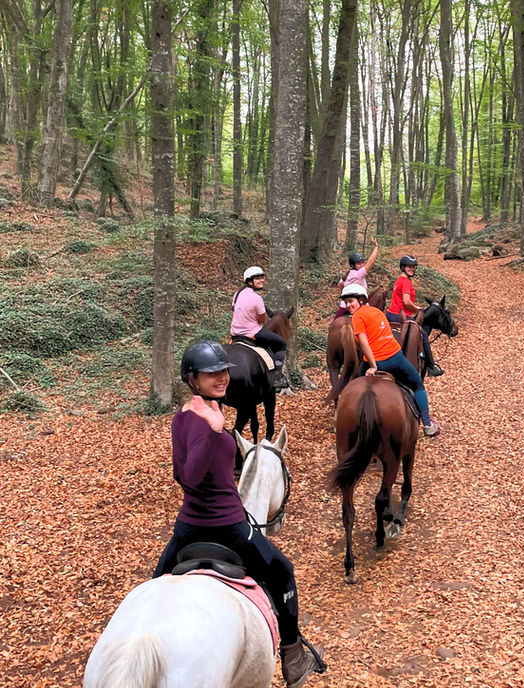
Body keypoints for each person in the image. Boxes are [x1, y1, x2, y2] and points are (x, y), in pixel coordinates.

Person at [153, 340, 325, 688]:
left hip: (187, 527)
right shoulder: (205, 421)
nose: (221, 378)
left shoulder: (183, 416)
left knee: (154, 586)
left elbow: (179, 474)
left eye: (223, 371)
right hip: (228, 526)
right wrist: (214, 431)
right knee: (283, 572)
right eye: (211, 373)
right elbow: (190, 477)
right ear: (192, 378)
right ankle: (293, 656)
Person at [340, 284, 441, 437]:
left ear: (361, 300)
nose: (348, 305)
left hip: (376, 362)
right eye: (346, 302)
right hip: (396, 358)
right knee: (417, 384)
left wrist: (373, 366)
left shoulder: (357, 317)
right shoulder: (378, 312)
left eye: (350, 301)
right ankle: (427, 424)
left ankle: (347, 424)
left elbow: (364, 343)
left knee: (354, 389)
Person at [231, 265, 289, 389]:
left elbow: (234, 310)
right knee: (282, 343)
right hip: (252, 333)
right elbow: (262, 319)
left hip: (235, 334)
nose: (261, 280)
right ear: (250, 281)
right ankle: (277, 377)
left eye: (262, 278)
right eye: (257, 278)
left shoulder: (237, 294)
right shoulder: (257, 298)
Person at [387, 254, 443, 377]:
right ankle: (431, 366)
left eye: (413, 267)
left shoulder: (399, 280)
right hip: (400, 315)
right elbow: (406, 302)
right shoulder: (406, 282)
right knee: (423, 335)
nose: (412, 269)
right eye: (409, 267)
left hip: (390, 314)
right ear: (403, 267)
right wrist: (417, 310)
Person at [334, 237, 379, 319]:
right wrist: (376, 247)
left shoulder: (348, 274)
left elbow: (340, 285)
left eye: (362, 263)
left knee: (335, 322)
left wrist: (345, 295)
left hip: (345, 305)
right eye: (359, 263)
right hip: (360, 305)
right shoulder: (359, 274)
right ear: (353, 265)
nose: (362, 265)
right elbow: (371, 262)